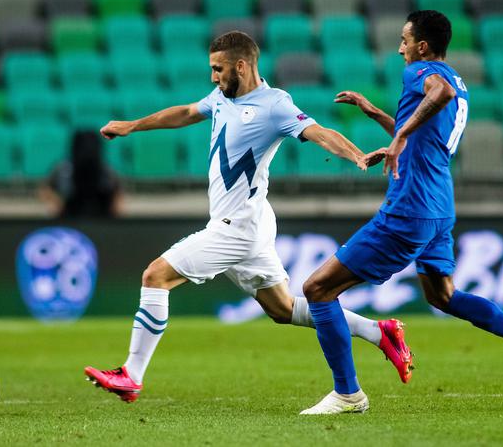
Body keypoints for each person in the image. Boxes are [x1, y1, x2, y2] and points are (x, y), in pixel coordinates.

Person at [84, 31, 414, 403]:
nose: (213, 77)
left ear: (241, 66)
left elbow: (318, 132)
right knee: (282, 309)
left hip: (236, 228)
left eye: (218, 69)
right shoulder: (223, 96)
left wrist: (355, 155)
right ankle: (379, 331)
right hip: (251, 222)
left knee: (155, 276)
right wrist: (132, 126)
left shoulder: (275, 105)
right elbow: (186, 112)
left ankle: (131, 374)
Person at [299, 10, 503, 415]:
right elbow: (428, 126)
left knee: (317, 290)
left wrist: (400, 138)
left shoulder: (424, 73)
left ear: (422, 45)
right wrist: (376, 115)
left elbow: (434, 95)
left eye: (404, 40)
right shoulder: (460, 82)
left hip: (409, 210)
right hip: (440, 207)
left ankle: (347, 394)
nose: (400, 48)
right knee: (443, 296)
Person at [39, 130, 123, 218]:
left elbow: (118, 193)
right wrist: (55, 202)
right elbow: (45, 189)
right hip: (69, 218)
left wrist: (115, 210)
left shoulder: (107, 171)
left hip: (101, 218)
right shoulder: (63, 169)